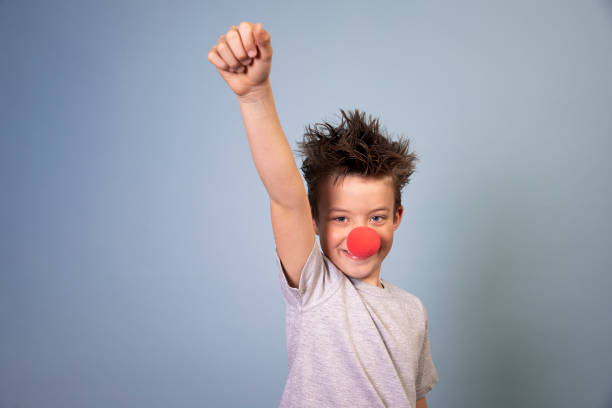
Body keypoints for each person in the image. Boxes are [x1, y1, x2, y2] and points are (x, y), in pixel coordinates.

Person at [207, 21, 439, 408]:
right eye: (340, 218)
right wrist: (254, 96)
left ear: (398, 216)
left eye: (376, 217)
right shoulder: (316, 286)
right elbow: (285, 197)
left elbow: (415, 397)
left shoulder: (412, 310)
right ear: (314, 220)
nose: (359, 235)